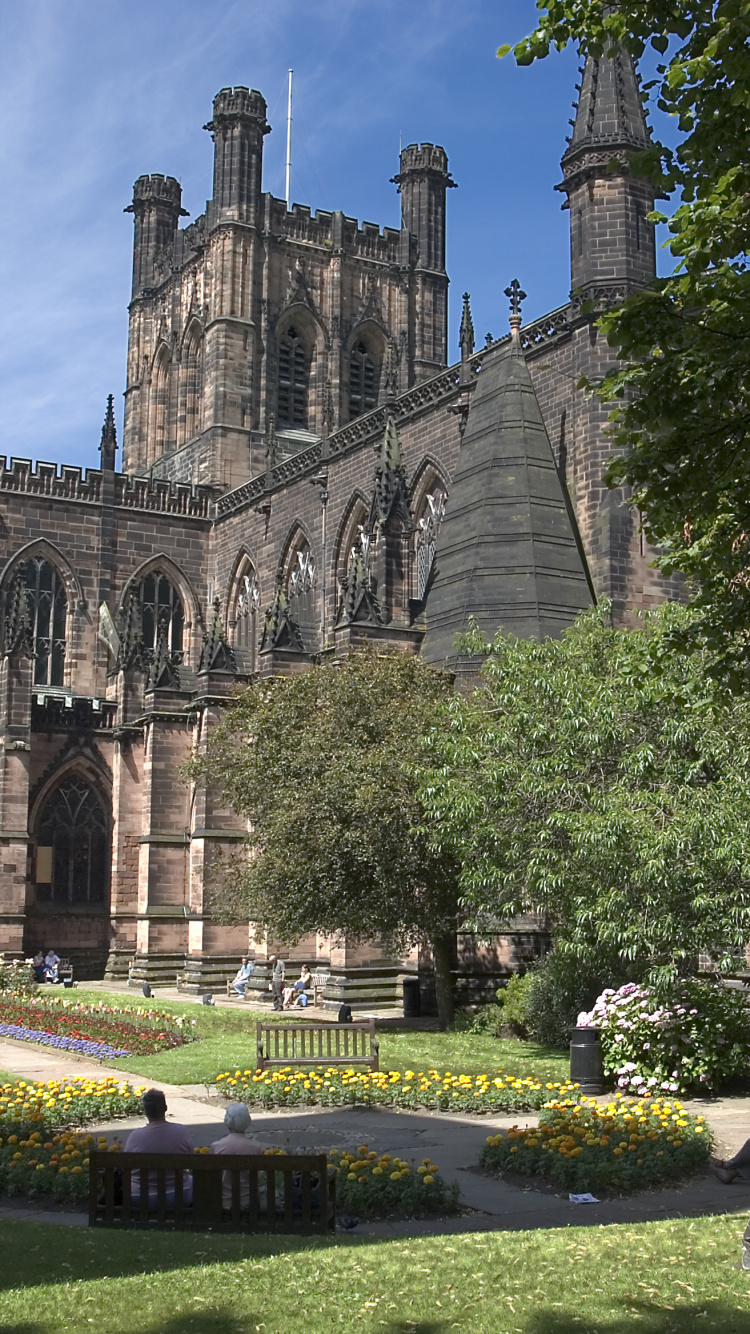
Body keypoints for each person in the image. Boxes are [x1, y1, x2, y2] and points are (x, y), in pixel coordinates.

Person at [125, 1087, 194, 1204]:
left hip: (141, 1197)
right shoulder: (181, 1131)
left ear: (145, 1111)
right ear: (165, 1108)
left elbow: (125, 1167)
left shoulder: (135, 1136)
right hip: (178, 1195)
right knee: (191, 1180)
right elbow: (193, 1161)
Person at [209, 1103, 266, 1210]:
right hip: (247, 1202)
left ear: (227, 1120)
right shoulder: (255, 1148)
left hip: (222, 1202)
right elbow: (258, 1176)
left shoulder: (216, 1147)